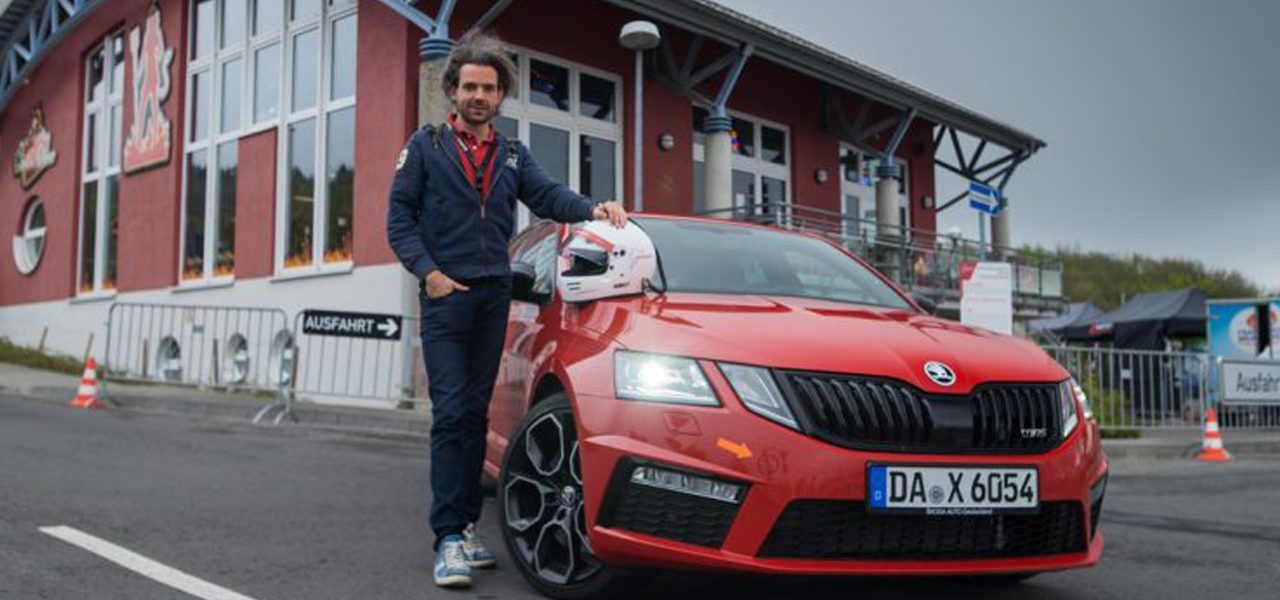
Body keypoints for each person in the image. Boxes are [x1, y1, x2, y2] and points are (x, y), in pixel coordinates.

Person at [386, 32, 627, 589]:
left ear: (500, 96)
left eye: (488, 88)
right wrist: (430, 274)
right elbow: (398, 218)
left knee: (474, 416)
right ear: (453, 91)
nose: (478, 95)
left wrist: (595, 208)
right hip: (447, 297)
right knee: (449, 416)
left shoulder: (513, 153)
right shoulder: (425, 147)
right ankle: (447, 537)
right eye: (469, 86)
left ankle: (465, 529)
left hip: (495, 294)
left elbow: (548, 197)